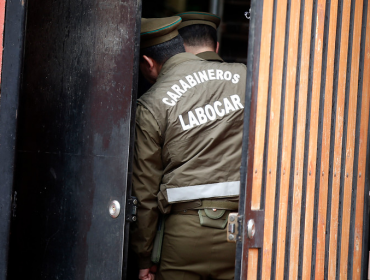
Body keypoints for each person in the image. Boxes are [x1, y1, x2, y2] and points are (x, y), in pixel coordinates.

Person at [130, 16, 247, 280]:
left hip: (183, 235)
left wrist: (144, 257)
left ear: (148, 63)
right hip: (242, 229)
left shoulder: (152, 102)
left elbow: (145, 189)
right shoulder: (245, 76)